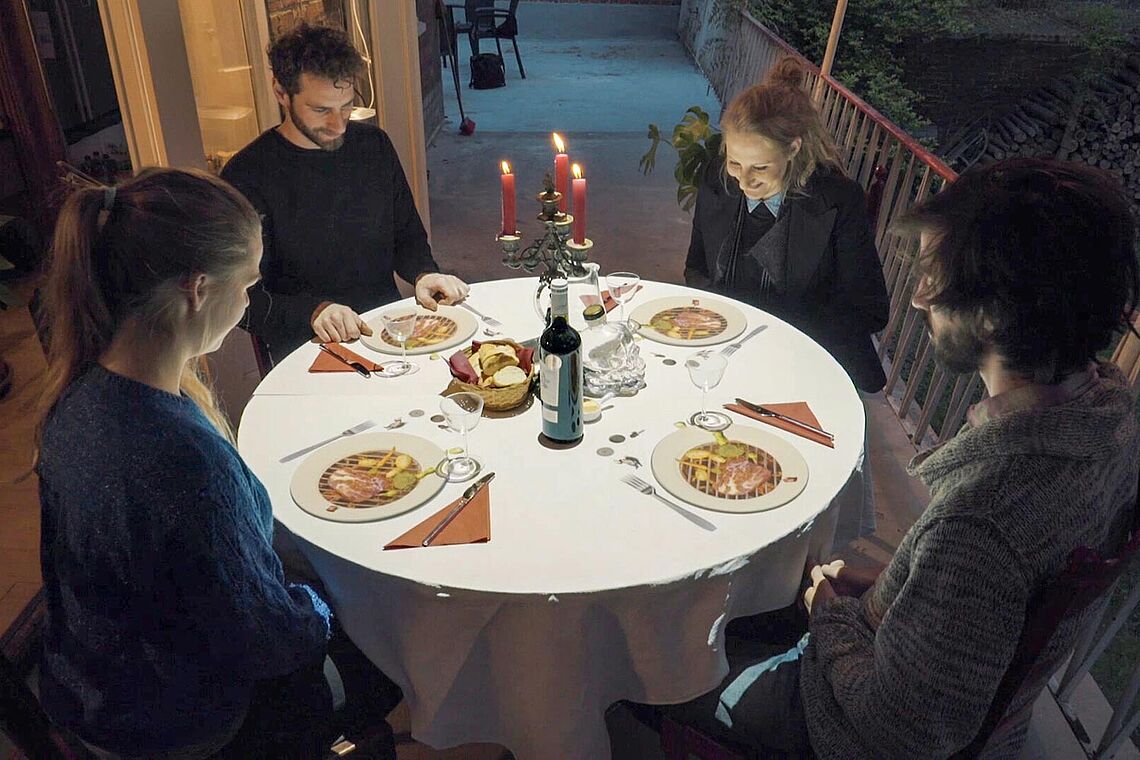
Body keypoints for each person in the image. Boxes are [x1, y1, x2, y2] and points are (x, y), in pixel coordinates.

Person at [663, 158, 1140, 758]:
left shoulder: (978, 525)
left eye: (933, 278)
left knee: (654, 670)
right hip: (955, 686)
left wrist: (830, 616)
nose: (916, 299)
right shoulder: (1112, 413)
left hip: (834, 725)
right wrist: (890, 586)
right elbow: (968, 609)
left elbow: (900, 732)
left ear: (992, 313)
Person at [34, 168, 395, 759]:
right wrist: (334, 604)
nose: (250, 300)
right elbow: (270, 640)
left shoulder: (77, 398)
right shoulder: (181, 460)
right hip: (186, 721)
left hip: (91, 687)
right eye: (249, 284)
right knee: (391, 641)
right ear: (197, 288)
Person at [221, 23, 468, 365]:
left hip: (388, 330)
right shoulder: (246, 175)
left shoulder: (374, 147)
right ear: (281, 92)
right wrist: (313, 312)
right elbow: (239, 300)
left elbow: (407, 237)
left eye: (346, 106)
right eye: (321, 110)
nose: (339, 125)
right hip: (305, 349)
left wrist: (424, 273)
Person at [685, 57, 889, 395]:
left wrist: (776, 335)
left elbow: (869, 311)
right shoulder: (717, 178)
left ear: (793, 148)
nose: (744, 180)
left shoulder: (837, 200)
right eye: (735, 162)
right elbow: (697, 268)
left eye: (761, 167)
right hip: (726, 357)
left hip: (806, 366)